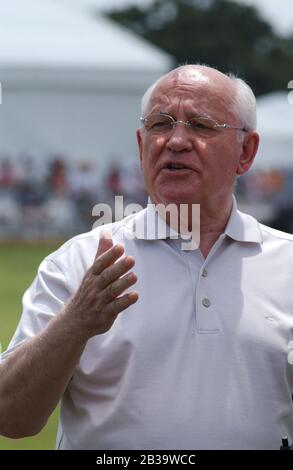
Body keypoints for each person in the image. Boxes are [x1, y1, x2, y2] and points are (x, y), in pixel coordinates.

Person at [0, 64, 293, 450]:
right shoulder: (80, 262)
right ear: (141, 145)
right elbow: (11, 417)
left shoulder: (285, 264)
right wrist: (77, 322)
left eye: (201, 125)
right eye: (160, 124)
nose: (175, 141)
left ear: (246, 151)